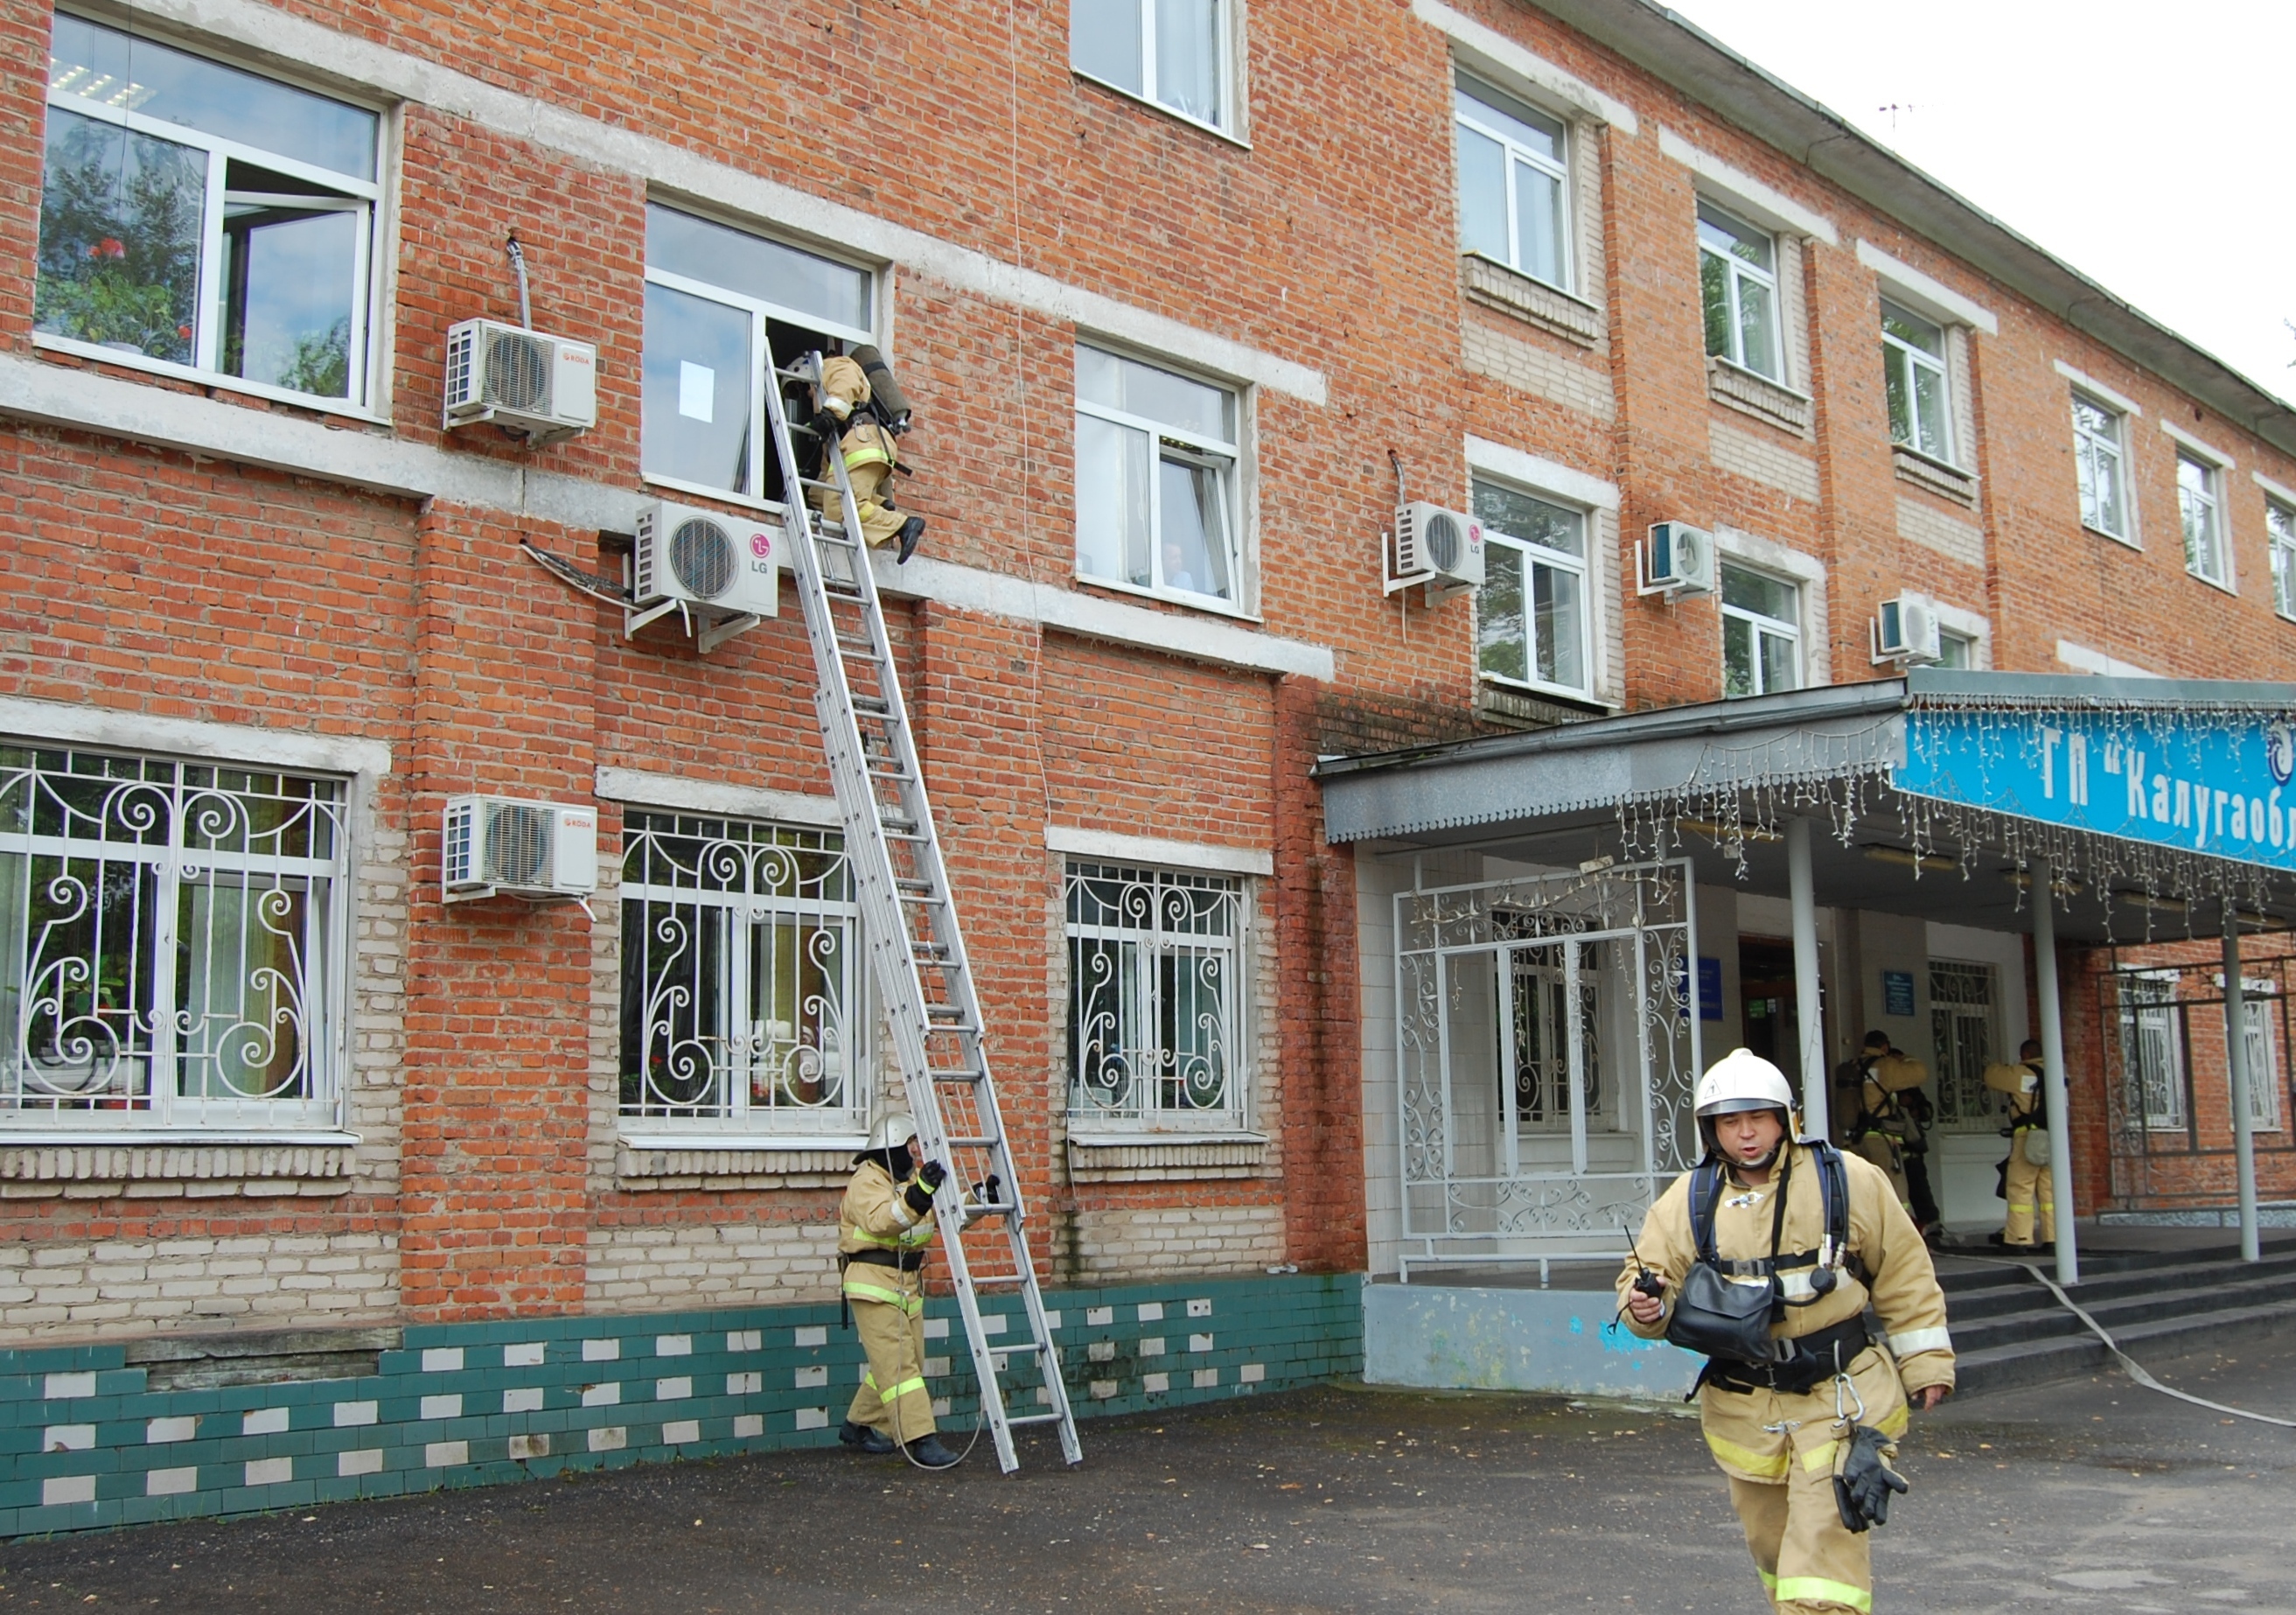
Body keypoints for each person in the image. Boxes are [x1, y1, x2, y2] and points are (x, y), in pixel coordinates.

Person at [1619, 1049, 1955, 1615]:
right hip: (1743, 1412)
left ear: (1785, 1119)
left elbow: (1904, 1273)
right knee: (1775, 1553)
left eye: (1757, 1117)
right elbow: (1642, 1282)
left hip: (1841, 1399)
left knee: (1822, 1566)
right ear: (1711, 1129)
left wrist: (1925, 1364)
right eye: (1729, 1121)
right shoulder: (1688, 1200)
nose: (1745, 1134)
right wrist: (1642, 1309)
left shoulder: (1846, 1180)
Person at [836, 1112, 960, 1467]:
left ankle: (858, 1424)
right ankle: (921, 1438)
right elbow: (881, 1220)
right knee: (901, 1368)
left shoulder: (902, 1182)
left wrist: (979, 1197)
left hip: (905, 1286)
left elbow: (938, 1216)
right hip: (873, 1285)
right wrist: (919, 1193)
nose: (914, 1152)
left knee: (906, 1362)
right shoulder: (866, 1182)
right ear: (890, 1149)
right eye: (908, 1146)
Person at [810, 349, 925, 564]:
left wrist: (830, 415)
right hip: (863, 443)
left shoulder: (836, 365)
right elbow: (827, 473)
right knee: (819, 494)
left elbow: (845, 384)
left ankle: (902, 524)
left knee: (838, 508)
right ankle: (877, 505)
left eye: (803, 388)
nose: (808, 394)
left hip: (864, 441)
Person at [1985, 1038, 2054, 1253]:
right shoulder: (2059, 1073)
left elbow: (1991, 1076)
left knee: (2020, 1189)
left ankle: (2019, 1239)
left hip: (2028, 1137)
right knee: (2050, 1193)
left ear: (2025, 1055)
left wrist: (2002, 1065)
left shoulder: (2022, 1073)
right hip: (2055, 1140)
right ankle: (2053, 1239)